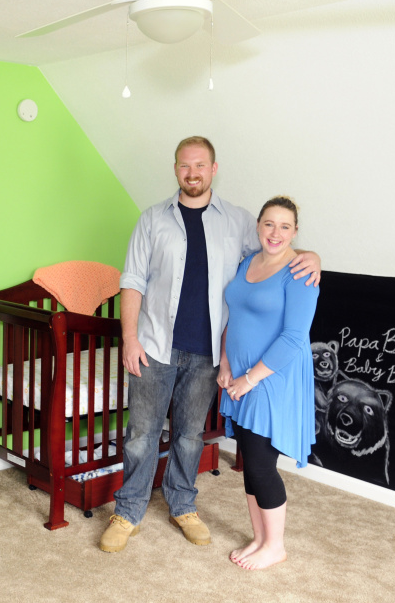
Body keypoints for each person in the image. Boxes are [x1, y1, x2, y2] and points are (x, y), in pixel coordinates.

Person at [99, 137, 321, 553]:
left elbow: (275, 251)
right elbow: (131, 280)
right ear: (176, 169)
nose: (192, 172)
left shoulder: (238, 221)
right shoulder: (151, 220)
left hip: (207, 353)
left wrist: (313, 255)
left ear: (213, 169)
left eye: (200, 165)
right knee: (141, 435)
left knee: (188, 437)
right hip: (153, 346)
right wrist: (129, 338)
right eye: (185, 165)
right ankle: (128, 512)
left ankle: (182, 504)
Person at [218, 195, 320, 570]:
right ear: (258, 226)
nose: (275, 233)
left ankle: (276, 545)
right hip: (242, 375)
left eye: (285, 226)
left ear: (296, 231)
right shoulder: (249, 261)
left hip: (271, 378)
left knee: (262, 465)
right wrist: (227, 361)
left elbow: (294, 338)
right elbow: (235, 315)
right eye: (269, 224)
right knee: (249, 460)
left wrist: (248, 378)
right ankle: (260, 538)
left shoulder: (300, 274)